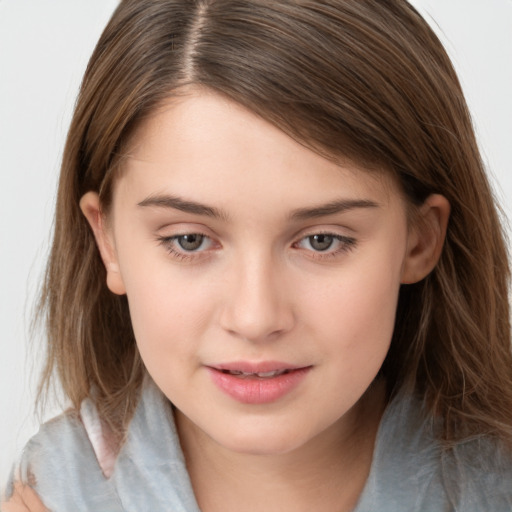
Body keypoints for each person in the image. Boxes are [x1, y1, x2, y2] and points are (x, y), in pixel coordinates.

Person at [2, 0, 512, 510]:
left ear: (419, 240)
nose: (255, 318)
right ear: (107, 241)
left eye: (322, 240)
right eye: (190, 240)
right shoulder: (51, 492)